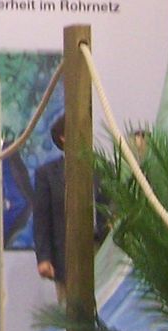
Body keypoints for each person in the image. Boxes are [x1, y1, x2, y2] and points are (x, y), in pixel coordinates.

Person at [31, 113, 110, 304]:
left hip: (100, 250)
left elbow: (110, 208)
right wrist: (44, 258)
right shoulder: (47, 175)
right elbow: (41, 220)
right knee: (71, 309)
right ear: (63, 137)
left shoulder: (103, 169)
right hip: (67, 254)